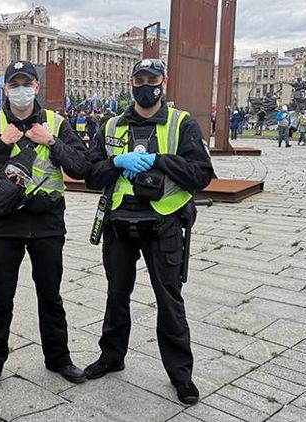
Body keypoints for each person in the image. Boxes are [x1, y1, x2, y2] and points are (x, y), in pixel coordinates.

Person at [84, 58, 214, 405]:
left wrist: (159, 160)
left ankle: (181, 375)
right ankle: (111, 356)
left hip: (163, 222)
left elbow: (201, 174)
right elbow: (90, 174)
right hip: (119, 224)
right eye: (139, 79)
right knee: (116, 295)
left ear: (163, 82)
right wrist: (116, 162)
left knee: (169, 299)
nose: (145, 86)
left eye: (151, 80)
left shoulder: (182, 124)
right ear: (131, 83)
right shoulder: (111, 125)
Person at [0, 60, 90, 395]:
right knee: (0, 299)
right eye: (14, 84)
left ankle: (59, 358)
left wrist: (52, 142)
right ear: (5, 89)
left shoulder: (56, 123)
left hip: (47, 224)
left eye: (27, 83)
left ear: (36, 87)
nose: (21, 90)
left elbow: (82, 167)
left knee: (51, 297)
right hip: (5, 225)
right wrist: (1, 143)